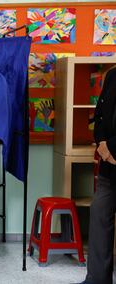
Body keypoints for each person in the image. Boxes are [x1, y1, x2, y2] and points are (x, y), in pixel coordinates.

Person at [80, 67, 116, 284]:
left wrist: (112, 148)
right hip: (108, 164)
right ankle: (97, 279)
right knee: (99, 213)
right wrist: (103, 145)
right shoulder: (112, 75)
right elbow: (100, 114)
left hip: (112, 153)